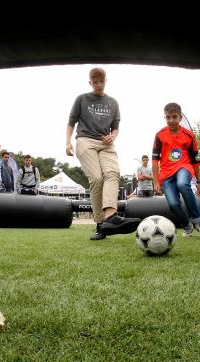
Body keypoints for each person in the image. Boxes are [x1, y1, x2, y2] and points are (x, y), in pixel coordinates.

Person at [66, 67, 140, 240]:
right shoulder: (82, 99)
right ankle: (101, 225)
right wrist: (68, 142)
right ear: (90, 82)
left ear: (106, 81)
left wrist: (112, 136)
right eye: (95, 81)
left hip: (106, 143)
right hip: (85, 140)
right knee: (97, 179)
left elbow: (115, 128)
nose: (98, 84)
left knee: (112, 174)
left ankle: (111, 217)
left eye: (101, 81)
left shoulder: (113, 102)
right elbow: (71, 122)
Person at [151, 102, 200, 238]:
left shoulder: (189, 135)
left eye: (174, 117)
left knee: (182, 184)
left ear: (180, 117)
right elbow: (154, 160)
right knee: (173, 204)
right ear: (164, 118)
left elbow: (196, 160)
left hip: (184, 166)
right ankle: (187, 225)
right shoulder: (159, 135)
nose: (171, 120)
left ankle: (199, 223)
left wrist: (199, 182)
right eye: (167, 117)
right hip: (166, 173)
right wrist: (155, 182)